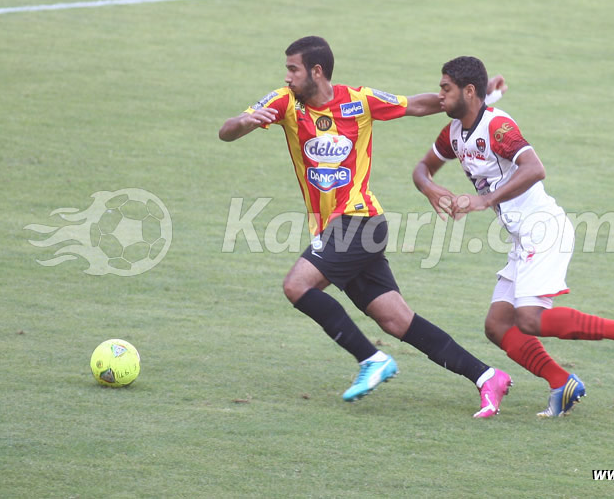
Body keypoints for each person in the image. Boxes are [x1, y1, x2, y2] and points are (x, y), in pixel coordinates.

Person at [219, 36, 511, 417]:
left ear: (316, 71)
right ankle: (486, 375)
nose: (287, 76)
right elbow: (226, 131)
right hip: (337, 230)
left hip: (359, 220)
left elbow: (419, 105)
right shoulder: (283, 103)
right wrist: (243, 122)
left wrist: (477, 95)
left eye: (293, 69)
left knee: (296, 285)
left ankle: (371, 359)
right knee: (396, 319)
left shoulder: (358, 101)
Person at [412, 56, 614, 417]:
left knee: (529, 319)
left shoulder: (498, 127)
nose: (439, 95)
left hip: (544, 228)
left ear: (468, 91)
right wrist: (430, 188)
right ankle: (561, 382)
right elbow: (422, 168)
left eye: (445, 88)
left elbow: (535, 168)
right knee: (497, 326)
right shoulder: (454, 133)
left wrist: (485, 200)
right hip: (522, 237)